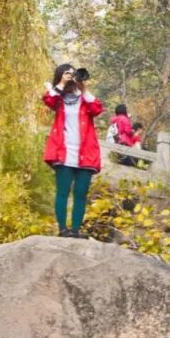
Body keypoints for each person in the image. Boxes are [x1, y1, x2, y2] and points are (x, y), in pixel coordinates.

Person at [43, 64, 104, 239]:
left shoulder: (83, 98)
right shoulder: (59, 98)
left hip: (86, 153)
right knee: (62, 191)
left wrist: (82, 87)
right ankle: (63, 229)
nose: (71, 76)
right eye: (67, 73)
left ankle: (76, 230)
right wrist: (62, 83)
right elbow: (49, 100)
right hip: (64, 152)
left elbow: (97, 109)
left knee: (81, 193)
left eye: (73, 73)